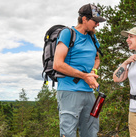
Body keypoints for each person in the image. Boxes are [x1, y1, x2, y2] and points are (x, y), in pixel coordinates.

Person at [53, 3, 106, 137]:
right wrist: (84, 76)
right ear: (84, 19)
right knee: (68, 132)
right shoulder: (67, 34)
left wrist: (93, 71)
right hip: (69, 90)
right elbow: (57, 64)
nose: (97, 25)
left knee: (91, 130)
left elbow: (97, 59)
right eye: (95, 21)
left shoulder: (92, 37)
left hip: (88, 92)